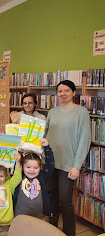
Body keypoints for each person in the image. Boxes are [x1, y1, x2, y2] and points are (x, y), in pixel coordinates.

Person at [44, 80, 91, 236]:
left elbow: (84, 141)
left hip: (68, 165)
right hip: (50, 162)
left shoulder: (81, 112)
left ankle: (69, 233)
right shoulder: (52, 112)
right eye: (59, 91)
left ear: (73, 93)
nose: (63, 94)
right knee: (52, 198)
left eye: (66, 91)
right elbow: (43, 134)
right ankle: (52, 230)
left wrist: (76, 166)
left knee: (65, 201)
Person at [14, 138, 54, 219]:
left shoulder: (41, 177)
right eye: (28, 167)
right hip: (19, 216)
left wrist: (46, 148)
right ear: (22, 166)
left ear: (40, 167)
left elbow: (50, 166)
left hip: (38, 216)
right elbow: (11, 166)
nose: (32, 170)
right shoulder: (18, 176)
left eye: (36, 167)